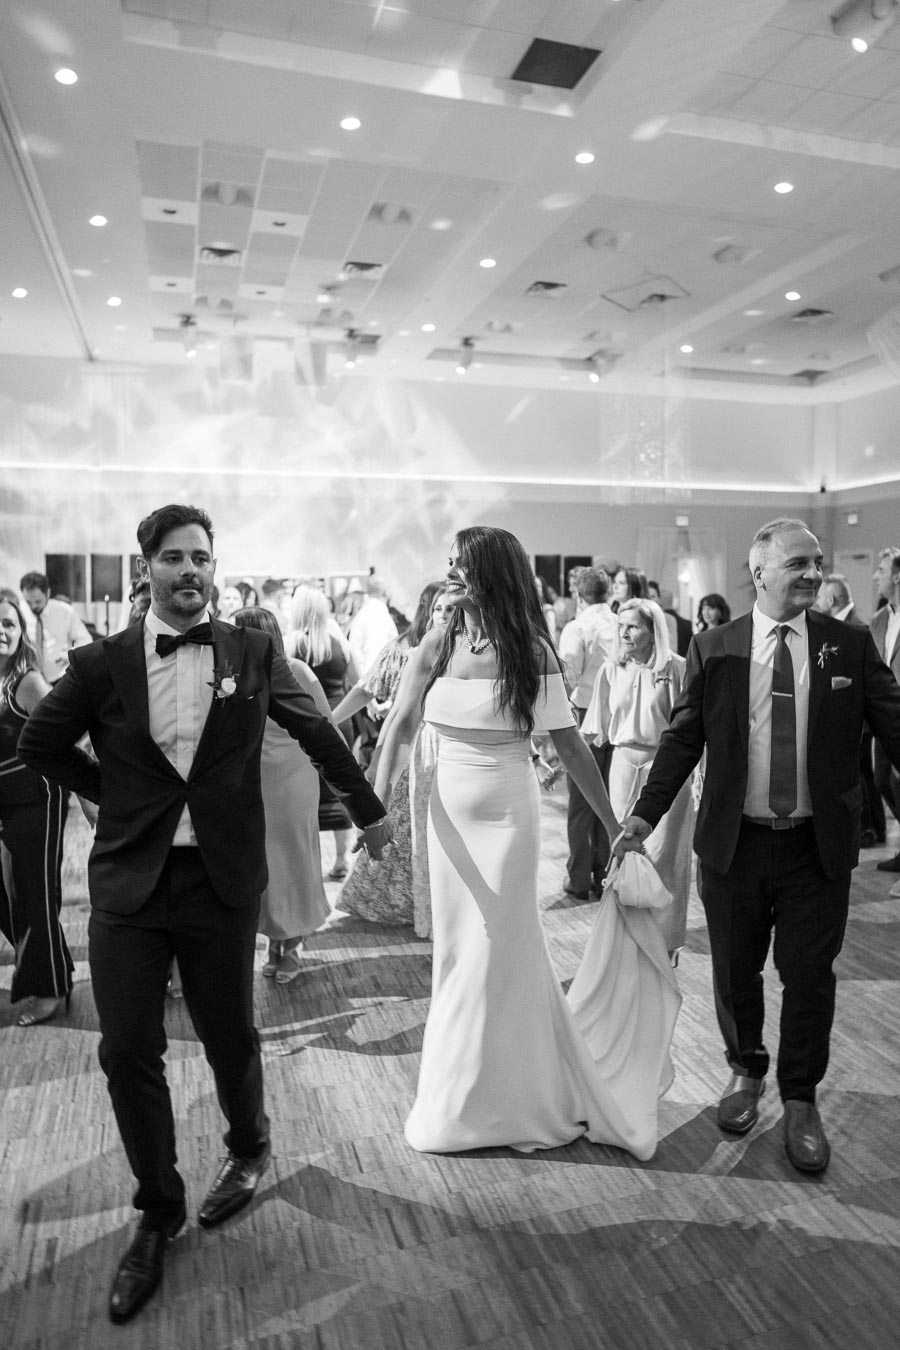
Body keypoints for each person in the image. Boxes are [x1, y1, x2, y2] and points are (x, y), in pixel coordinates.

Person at [18, 503, 392, 1325]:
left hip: (222, 882)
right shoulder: (99, 662)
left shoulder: (254, 651)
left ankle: (249, 1146)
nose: (192, 571)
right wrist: (109, 796)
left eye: (202, 558)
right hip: (130, 887)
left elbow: (320, 733)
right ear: (144, 566)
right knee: (127, 1050)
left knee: (231, 1036)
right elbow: (41, 744)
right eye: (176, 558)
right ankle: (157, 1209)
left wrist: (368, 809)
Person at [373, 525, 680, 1160]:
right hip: (447, 820)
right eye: (449, 561)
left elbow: (568, 745)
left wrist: (619, 821)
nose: (450, 571)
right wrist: (373, 809)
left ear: (489, 572)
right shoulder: (438, 639)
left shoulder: (531, 650)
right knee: (458, 953)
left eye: (460, 563)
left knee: (499, 948)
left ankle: (507, 1097)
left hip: (510, 816)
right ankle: (463, 1094)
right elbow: (401, 724)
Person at [615, 517, 900, 1174]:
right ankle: (745, 1072)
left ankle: (800, 1098)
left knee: (808, 977)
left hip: (815, 849)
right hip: (734, 845)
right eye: (798, 563)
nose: (812, 574)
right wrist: (641, 817)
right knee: (736, 972)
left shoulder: (848, 645)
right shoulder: (715, 647)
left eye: (818, 563)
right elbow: (684, 739)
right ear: (760, 570)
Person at [335, 582, 450, 934]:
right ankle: (409, 905)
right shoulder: (402, 651)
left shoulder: (465, 653)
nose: (443, 617)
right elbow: (367, 689)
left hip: (448, 753)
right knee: (399, 830)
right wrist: (327, 723)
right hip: (407, 752)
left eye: (450, 610)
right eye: (438, 609)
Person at [582, 599, 694, 957]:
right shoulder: (610, 670)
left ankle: (664, 943)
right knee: (623, 853)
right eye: (621, 626)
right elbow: (593, 729)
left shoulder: (676, 668)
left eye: (633, 626)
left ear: (653, 630)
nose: (625, 633)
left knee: (664, 857)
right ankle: (625, 941)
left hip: (667, 771)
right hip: (622, 766)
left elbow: (691, 731)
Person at [231, 607, 331, 982]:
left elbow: (326, 725)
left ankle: (292, 945)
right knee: (266, 865)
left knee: (294, 862)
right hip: (252, 782)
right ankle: (275, 940)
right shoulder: (233, 676)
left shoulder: (297, 672)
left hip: (293, 781)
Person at [0, 595, 73, 1025]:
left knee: (35, 895)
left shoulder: (25, 682)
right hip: (6, 803)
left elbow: (63, 736)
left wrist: (89, 795)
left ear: (21, 631)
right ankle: (55, 968)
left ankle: (49, 990)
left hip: (37, 799)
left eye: (8, 624)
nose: (0, 632)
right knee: (8, 897)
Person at [285, 583, 356, 880]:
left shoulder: (290, 643)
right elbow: (357, 680)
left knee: (303, 791)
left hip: (304, 724)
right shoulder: (339, 642)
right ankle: (341, 859)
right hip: (341, 720)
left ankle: (307, 862)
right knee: (340, 786)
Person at [557, 566, 616, 899]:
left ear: (579, 595)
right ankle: (605, 874)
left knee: (581, 803)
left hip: (584, 716)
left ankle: (579, 878)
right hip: (618, 720)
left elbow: (568, 678)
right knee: (608, 799)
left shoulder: (577, 627)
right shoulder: (621, 624)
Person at [814, 575, 884, 848]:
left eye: (820, 599)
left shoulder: (854, 628)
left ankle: (867, 828)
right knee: (866, 771)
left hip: (857, 715)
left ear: (831, 600)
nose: (817, 604)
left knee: (860, 772)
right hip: (858, 715)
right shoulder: (846, 625)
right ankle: (875, 827)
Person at [870, 548, 900, 871]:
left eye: (882, 569)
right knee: (882, 780)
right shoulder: (879, 619)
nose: (876, 575)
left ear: (897, 575)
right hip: (884, 713)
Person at [19, 570, 92, 684]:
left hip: (60, 677)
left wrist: (69, 655)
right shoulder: (19, 612)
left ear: (48, 593)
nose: (33, 606)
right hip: (29, 678)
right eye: (29, 602)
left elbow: (86, 641)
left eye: (38, 601)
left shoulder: (65, 612)